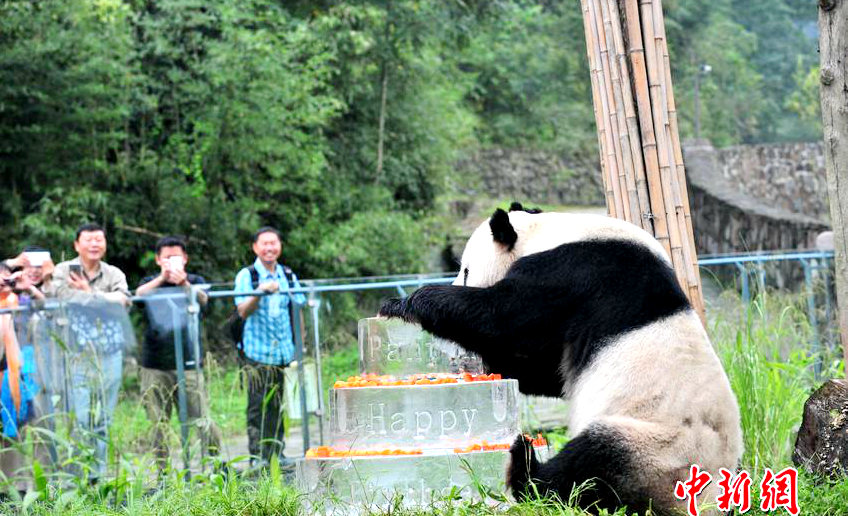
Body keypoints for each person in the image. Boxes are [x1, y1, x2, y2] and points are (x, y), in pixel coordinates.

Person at [52, 223, 131, 481]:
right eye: (89, 240)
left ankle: (98, 475)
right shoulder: (64, 270)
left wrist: (88, 293)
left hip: (109, 352)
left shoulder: (114, 273)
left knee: (104, 418)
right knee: (81, 417)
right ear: (77, 244)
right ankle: (77, 475)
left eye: (99, 239)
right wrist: (101, 300)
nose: (95, 244)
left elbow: (123, 303)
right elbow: (63, 296)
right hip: (77, 353)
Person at [136, 236, 222, 470]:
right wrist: (162, 278)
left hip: (190, 361)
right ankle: (163, 473)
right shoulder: (150, 282)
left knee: (202, 418)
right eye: (167, 258)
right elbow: (138, 296)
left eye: (176, 258)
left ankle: (216, 466)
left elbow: (204, 301)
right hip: (155, 364)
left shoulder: (195, 280)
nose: (172, 262)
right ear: (158, 260)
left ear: (185, 259)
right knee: (158, 423)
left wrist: (184, 283)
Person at [234, 227, 306, 468]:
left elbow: (299, 308)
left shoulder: (288, 274)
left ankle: (278, 453)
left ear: (279, 246)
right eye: (264, 244)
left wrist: (301, 347)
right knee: (257, 406)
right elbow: (242, 310)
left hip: (283, 352)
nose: (269, 248)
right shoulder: (248, 275)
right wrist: (260, 292)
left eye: (273, 243)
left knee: (278, 404)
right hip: (256, 353)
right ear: (255, 247)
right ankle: (258, 458)